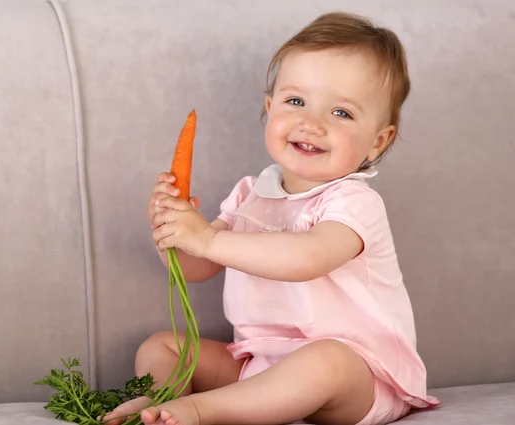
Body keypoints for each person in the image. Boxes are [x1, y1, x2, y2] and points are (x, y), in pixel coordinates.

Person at [104, 11, 440, 425]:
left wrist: (207, 239)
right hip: (259, 366)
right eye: (295, 101)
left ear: (377, 141)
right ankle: (156, 403)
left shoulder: (354, 203)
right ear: (270, 108)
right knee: (162, 346)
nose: (311, 123)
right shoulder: (249, 193)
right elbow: (197, 268)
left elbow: (306, 259)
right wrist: (174, 231)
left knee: (326, 359)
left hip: (358, 376)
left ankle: (199, 410)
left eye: (341, 113)